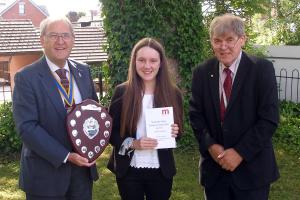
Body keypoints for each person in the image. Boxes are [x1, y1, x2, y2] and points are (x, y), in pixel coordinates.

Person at [189, 13, 279, 200]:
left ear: (242, 40)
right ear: (211, 42)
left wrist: (240, 153)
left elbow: (269, 119)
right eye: (217, 40)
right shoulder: (202, 72)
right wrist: (211, 146)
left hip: (252, 171)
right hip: (215, 171)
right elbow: (196, 115)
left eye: (230, 39)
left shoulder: (262, 70)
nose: (223, 46)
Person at [13, 16, 99, 200]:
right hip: (45, 175)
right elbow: (27, 127)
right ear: (42, 40)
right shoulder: (26, 77)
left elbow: (95, 112)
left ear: (73, 40)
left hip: (82, 173)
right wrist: (67, 156)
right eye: (53, 35)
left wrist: (94, 144)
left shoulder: (84, 71)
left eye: (65, 35)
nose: (60, 41)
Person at [107, 37, 183, 200]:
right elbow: (110, 133)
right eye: (141, 60)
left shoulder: (173, 93)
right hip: (129, 169)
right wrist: (133, 143)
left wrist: (175, 131)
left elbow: (179, 133)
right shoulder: (122, 92)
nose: (147, 66)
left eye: (153, 60)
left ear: (160, 63)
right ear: (134, 62)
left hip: (161, 169)